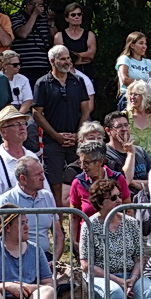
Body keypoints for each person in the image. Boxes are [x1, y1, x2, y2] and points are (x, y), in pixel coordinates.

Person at [32, 45, 91, 199]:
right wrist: (56, 136)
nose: (68, 62)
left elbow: (86, 109)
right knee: (55, 181)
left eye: (68, 58)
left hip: (75, 139)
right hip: (52, 141)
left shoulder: (78, 81)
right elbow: (37, 113)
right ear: (52, 61)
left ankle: (78, 214)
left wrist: (78, 135)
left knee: (81, 177)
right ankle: (58, 217)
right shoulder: (42, 83)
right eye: (63, 59)